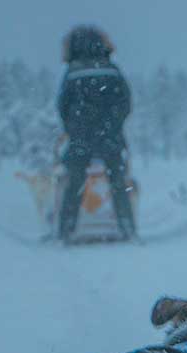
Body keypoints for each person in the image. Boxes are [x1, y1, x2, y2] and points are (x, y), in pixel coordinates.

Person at [56, 26, 136, 241]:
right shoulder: (112, 69)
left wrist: (74, 129)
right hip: (111, 137)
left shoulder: (72, 72)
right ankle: (127, 227)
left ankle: (66, 229)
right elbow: (126, 103)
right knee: (118, 183)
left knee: (74, 182)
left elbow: (63, 107)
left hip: (80, 139)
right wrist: (113, 125)